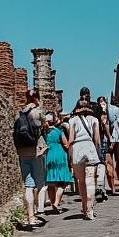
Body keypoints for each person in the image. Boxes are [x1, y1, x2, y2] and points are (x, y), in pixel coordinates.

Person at [13, 88, 47, 228]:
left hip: (22, 151)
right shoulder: (38, 112)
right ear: (37, 98)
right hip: (36, 150)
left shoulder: (19, 113)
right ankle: (39, 210)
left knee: (28, 185)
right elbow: (44, 127)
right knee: (40, 184)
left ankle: (30, 217)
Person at [67, 95, 101, 219]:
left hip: (77, 149)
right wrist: (98, 152)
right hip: (90, 148)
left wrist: (69, 155)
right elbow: (97, 139)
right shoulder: (94, 120)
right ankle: (90, 210)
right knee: (90, 181)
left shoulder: (72, 120)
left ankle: (84, 208)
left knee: (81, 182)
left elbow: (70, 139)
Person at [43, 113, 71, 213]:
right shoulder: (59, 131)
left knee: (51, 181)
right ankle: (56, 203)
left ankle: (52, 203)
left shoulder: (45, 132)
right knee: (63, 181)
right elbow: (66, 144)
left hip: (49, 154)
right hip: (59, 155)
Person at [106, 96, 119, 194]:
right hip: (116, 138)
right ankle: (116, 182)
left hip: (110, 139)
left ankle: (114, 183)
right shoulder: (117, 110)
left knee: (110, 162)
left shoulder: (112, 111)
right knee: (117, 160)